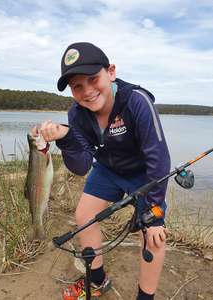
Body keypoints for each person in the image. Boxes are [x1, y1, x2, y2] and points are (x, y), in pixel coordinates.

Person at [34, 42, 171, 300]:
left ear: (111, 72)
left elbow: (159, 160)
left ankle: (146, 297)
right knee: (84, 214)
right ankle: (97, 280)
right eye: (77, 86)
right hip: (107, 170)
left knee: (154, 236)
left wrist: (154, 213)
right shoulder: (76, 114)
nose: (87, 91)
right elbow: (81, 166)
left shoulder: (137, 102)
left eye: (93, 79)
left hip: (145, 174)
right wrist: (66, 139)